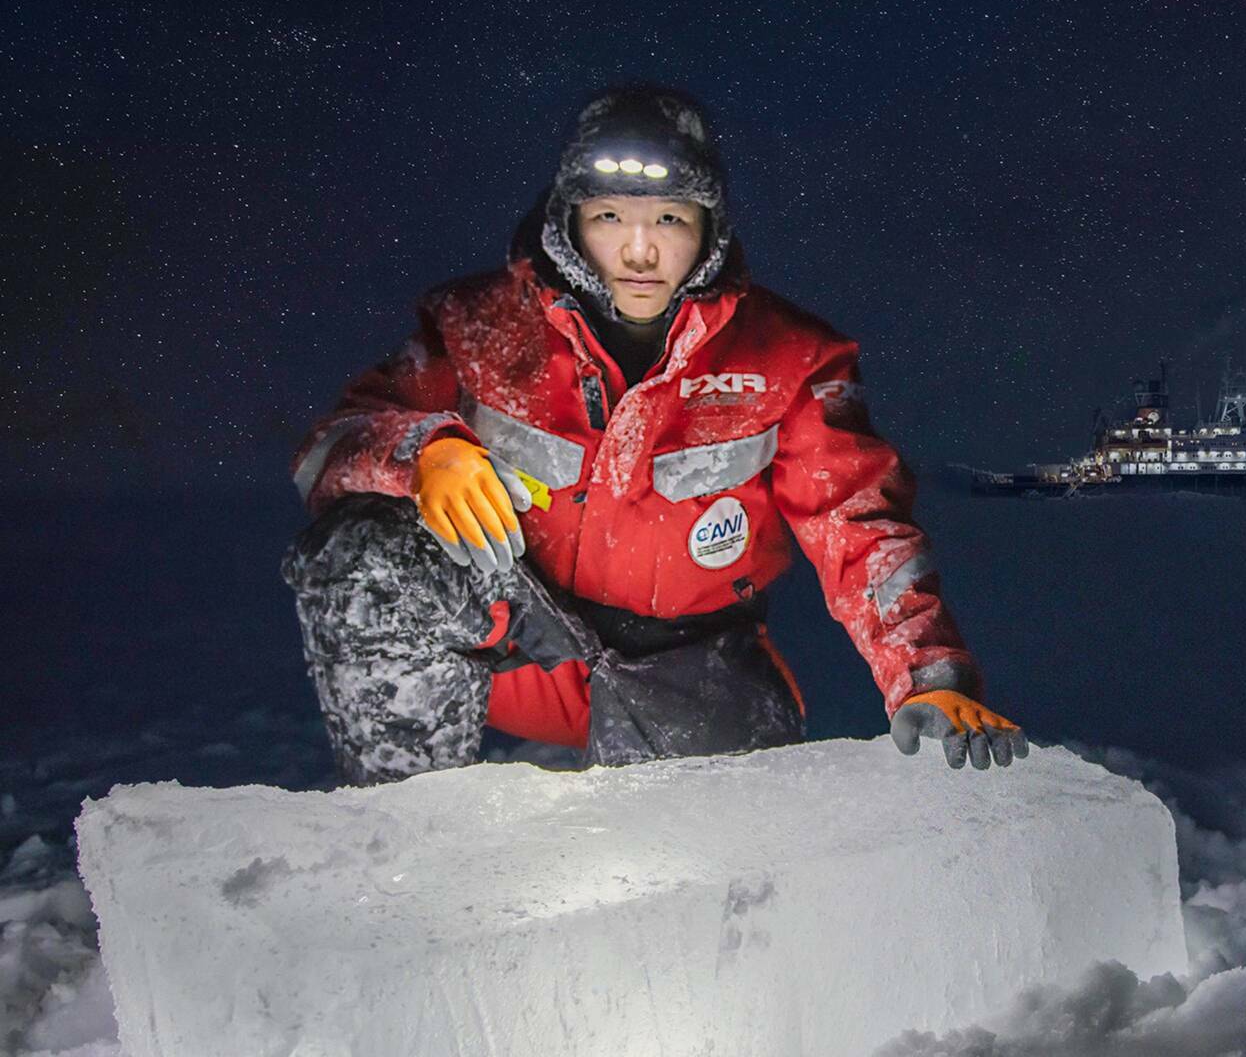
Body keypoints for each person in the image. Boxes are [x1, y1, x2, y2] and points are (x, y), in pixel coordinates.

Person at [282, 83, 1025, 785]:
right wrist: (424, 453)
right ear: (569, 222)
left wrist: (930, 678)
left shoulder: (793, 361)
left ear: (709, 228)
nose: (640, 252)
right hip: (518, 644)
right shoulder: (475, 325)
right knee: (363, 554)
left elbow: (862, 526)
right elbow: (331, 446)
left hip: (690, 665)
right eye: (610, 218)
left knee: (724, 858)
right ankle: (408, 832)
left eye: (668, 219)